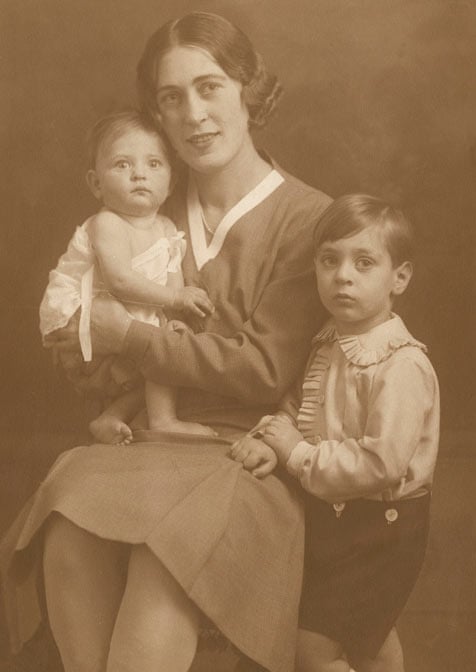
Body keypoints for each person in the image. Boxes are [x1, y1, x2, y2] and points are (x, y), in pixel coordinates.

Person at [0, 11, 332, 672]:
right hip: (148, 443)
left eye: (209, 87)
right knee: (70, 524)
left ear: (248, 88)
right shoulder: (144, 205)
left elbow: (264, 371)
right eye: (170, 97)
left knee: (163, 556)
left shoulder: (308, 217)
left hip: (243, 454)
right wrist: (87, 352)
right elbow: (93, 356)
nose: (193, 114)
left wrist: (126, 334)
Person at [231, 194, 440, 672]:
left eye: (364, 262)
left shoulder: (402, 365)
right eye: (329, 260)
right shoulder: (331, 339)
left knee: (312, 650)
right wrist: (272, 441)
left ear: (399, 278)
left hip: (383, 529)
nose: (342, 275)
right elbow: (304, 405)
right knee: (370, 641)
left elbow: (380, 464)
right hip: (335, 519)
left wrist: (298, 454)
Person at [39, 110, 215, 443]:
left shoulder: (166, 229)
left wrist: (176, 318)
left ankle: (111, 417)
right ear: (96, 183)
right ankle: (163, 420)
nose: (139, 175)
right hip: (85, 332)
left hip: (125, 326)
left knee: (167, 347)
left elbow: (171, 283)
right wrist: (175, 300)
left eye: (154, 164)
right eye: (122, 164)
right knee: (156, 349)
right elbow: (119, 280)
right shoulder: (108, 223)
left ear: (171, 182)